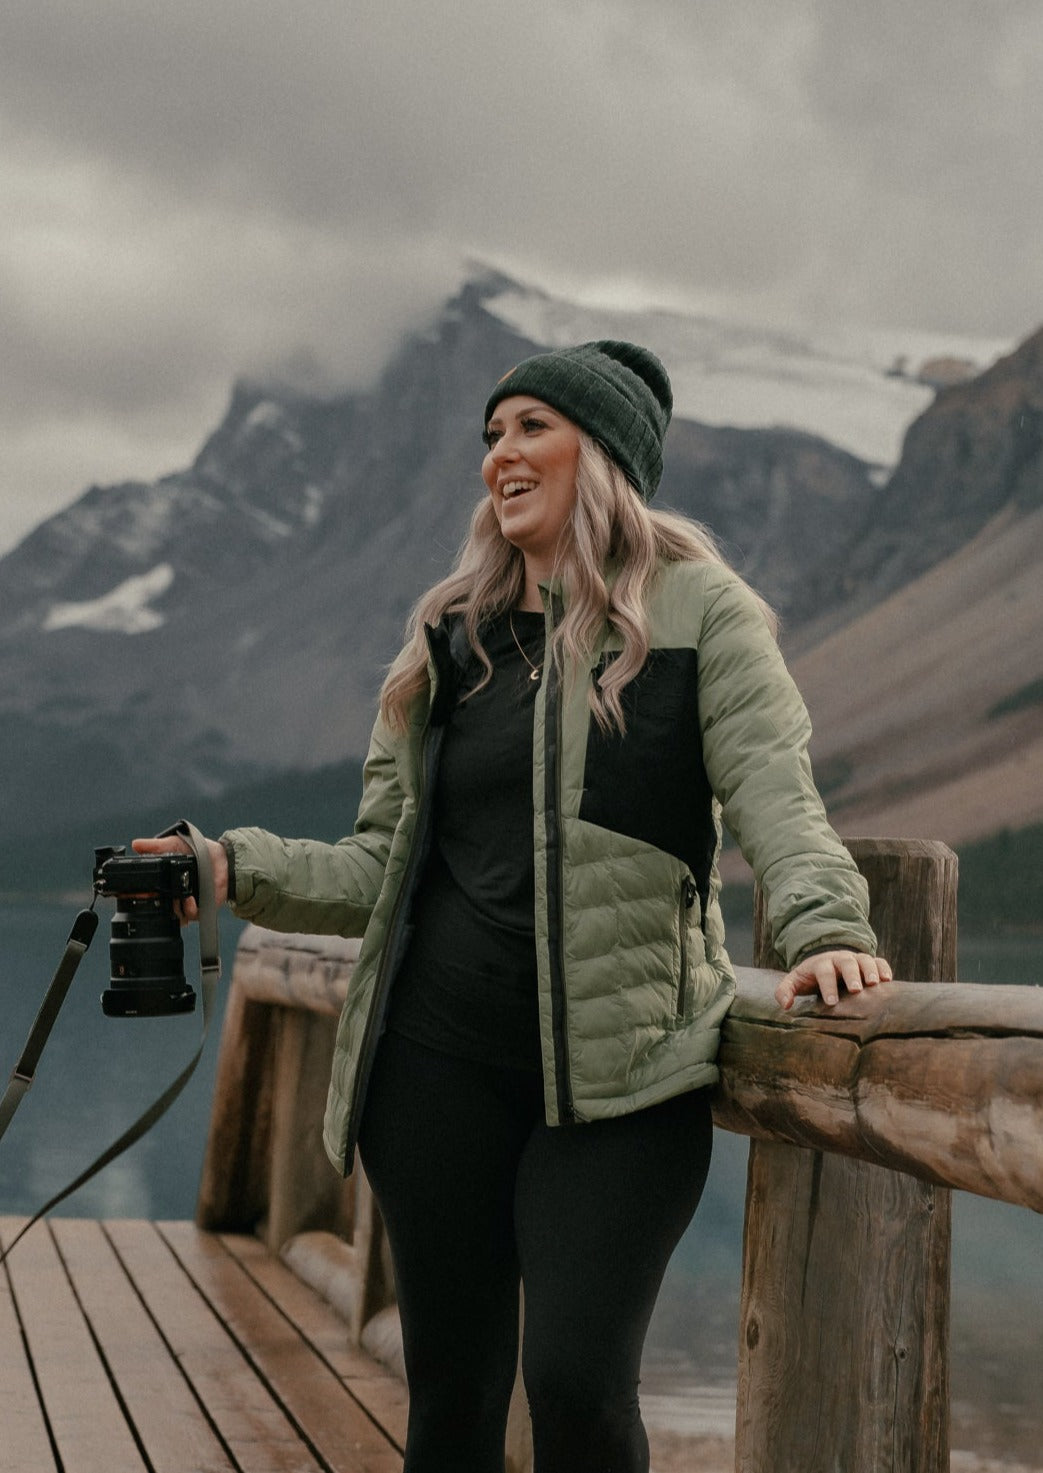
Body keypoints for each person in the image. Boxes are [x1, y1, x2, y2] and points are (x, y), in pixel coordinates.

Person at [137, 339, 891, 1473]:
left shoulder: (700, 613)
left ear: (604, 452)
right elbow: (377, 866)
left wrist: (828, 927)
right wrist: (232, 866)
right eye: (491, 434)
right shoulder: (449, 636)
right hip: (433, 1068)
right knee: (451, 1403)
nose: (500, 454)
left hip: (624, 1073)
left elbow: (774, 794)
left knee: (578, 1387)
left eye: (530, 426)